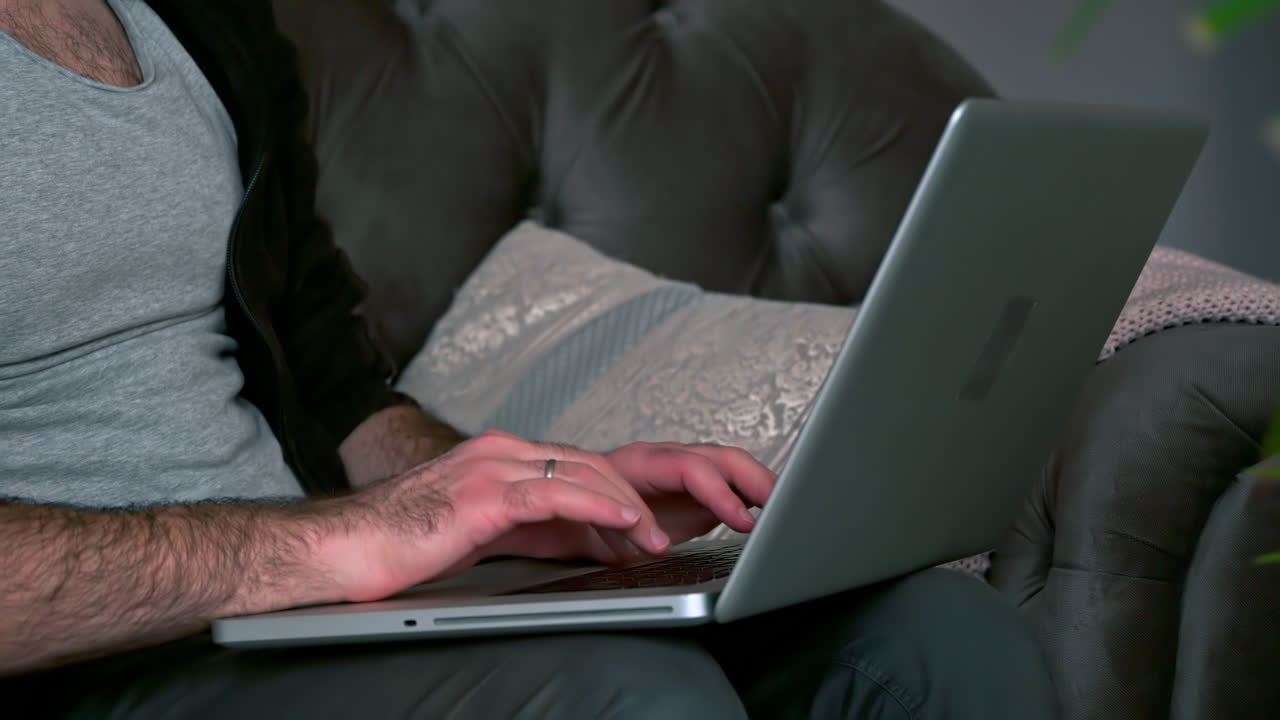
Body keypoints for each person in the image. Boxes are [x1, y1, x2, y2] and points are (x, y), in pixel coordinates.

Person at [0, 0, 1060, 717]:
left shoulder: (199, 18)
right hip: (96, 661)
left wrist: (526, 489)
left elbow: (331, 382)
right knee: (619, 693)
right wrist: (344, 541)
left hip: (295, 607)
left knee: (931, 636)